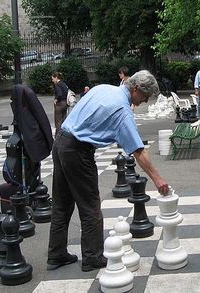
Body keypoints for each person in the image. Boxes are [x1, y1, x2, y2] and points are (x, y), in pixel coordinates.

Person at [46, 70, 170, 272]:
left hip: (61, 141)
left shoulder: (104, 88)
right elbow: (138, 151)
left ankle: (56, 255)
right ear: (136, 89)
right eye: (145, 97)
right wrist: (157, 179)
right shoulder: (122, 110)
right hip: (78, 151)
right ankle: (92, 258)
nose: (145, 102)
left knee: (62, 204)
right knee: (90, 206)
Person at [51, 72, 69, 138]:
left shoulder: (57, 85)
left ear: (56, 77)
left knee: (58, 122)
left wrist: (56, 100)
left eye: (53, 79)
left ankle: (58, 137)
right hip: (65, 103)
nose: (52, 81)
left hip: (59, 104)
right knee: (64, 120)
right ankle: (64, 136)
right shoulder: (64, 84)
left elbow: (59, 94)